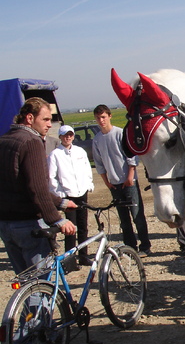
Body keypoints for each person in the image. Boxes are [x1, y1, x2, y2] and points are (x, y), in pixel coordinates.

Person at [0, 98, 77, 274]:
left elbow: (23, 184)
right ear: (29, 118)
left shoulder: (4, 140)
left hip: (5, 224)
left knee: (25, 281)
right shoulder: (31, 141)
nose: (50, 124)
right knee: (40, 283)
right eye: (46, 119)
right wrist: (57, 219)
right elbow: (37, 188)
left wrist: (61, 202)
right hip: (28, 224)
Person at [92, 104, 151, 257]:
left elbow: (131, 156)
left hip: (128, 182)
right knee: (124, 219)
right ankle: (130, 247)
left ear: (109, 116)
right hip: (114, 184)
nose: (101, 120)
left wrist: (130, 177)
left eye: (103, 117)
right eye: (98, 118)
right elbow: (99, 163)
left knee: (137, 215)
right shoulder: (97, 139)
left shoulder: (120, 133)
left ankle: (145, 246)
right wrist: (106, 182)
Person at [48, 125, 94, 266]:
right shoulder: (55, 154)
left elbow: (87, 168)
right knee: (70, 227)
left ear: (73, 136)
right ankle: (69, 258)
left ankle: (84, 255)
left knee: (83, 225)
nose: (68, 137)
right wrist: (60, 194)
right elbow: (52, 177)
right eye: (64, 135)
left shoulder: (80, 151)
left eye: (70, 135)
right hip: (68, 195)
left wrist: (89, 184)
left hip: (82, 192)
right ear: (60, 137)